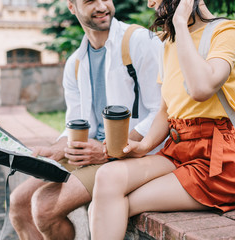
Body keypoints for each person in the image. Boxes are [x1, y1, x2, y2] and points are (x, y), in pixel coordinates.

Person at [9, 0, 162, 239]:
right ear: (72, 7)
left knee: (44, 206)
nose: (102, 6)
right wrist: (54, 150)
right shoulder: (76, 63)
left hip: (132, 155)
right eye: (90, 1)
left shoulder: (139, 41)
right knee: (19, 201)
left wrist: (108, 150)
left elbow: (161, 111)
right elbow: (76, 122)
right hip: (94, 154)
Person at [89, 0, 235, 239]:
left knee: (108, 204)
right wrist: (143, 146)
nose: (150, 3)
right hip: (177, 149)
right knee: (107, 177)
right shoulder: (169, 43)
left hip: (216, 162)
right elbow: (165, 111)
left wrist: (179, 21)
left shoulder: (225, 31)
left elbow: (201, 88)